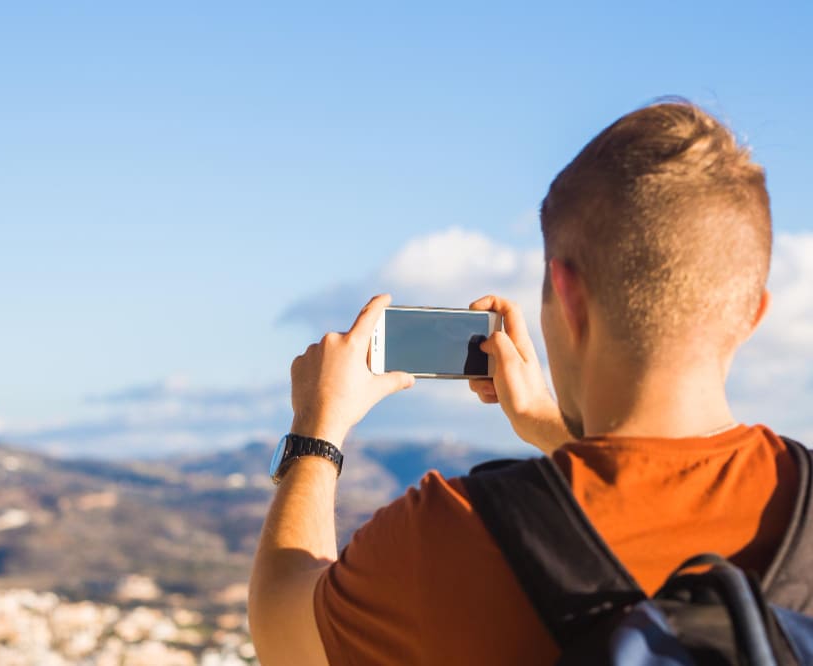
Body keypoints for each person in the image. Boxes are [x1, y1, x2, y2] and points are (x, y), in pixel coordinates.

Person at [249, 100, 794, 665]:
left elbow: (282, 631)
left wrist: (318, 429)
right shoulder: (798, 503)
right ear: (753, 313)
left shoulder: (451, 532)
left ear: (567, 294)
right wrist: (543, 421)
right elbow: (663, 506)